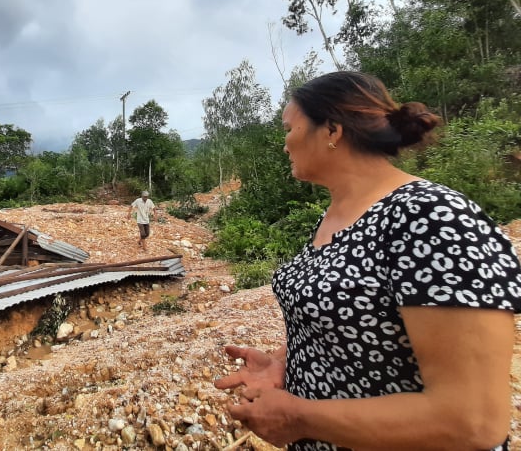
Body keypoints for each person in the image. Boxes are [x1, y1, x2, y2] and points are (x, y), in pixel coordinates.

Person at [214, 71, 521, 451]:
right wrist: (285, 361)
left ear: (332, 131)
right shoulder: (336, 216)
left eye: (289, 129)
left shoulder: (431, 218)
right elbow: (359, 323)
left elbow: (472, 422)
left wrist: (298, 417)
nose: (285, 145)